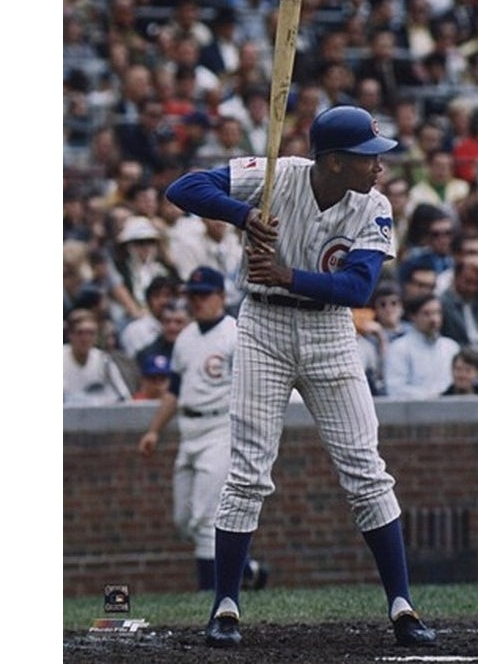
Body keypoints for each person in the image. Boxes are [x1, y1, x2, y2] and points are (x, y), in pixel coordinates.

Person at [165, 105, 437, 648]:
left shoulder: (375, 205)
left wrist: (289, 274)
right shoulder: (277, 175)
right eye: (367, 158)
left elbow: (358, 289)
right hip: (263, 324)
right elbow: (184, 186)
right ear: (334, 161)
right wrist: (243, 216)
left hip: (331, 333)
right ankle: (225, 606)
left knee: (365, 470)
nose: (379, 167)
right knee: (247, 471)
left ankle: (403, 606)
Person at [137, 267, 267, 592]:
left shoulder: (236, 334)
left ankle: (212, 596)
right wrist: (154, 430)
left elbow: (253, 388)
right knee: (184, 520)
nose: (197, 301)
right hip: (189, 429)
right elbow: (174, 390)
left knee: (207, 519)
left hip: (219, 427)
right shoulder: (185, 337)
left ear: (221, 296)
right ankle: (247, 569)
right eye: (192, 295)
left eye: (203, 294)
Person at [384, 293, 461, 400]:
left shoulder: (451, 347)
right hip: (413, 412)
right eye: (426, 314)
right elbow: (395, 389)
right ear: (413, 316)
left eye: (437, 313)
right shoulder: (399, 348)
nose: (434, 319)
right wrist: (432, 396)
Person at [64, 309, 132, 405]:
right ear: (70, 335)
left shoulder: (104, 361)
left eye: (91, 333)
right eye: (80, 333)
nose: (86, 339)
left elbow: (124, 397)